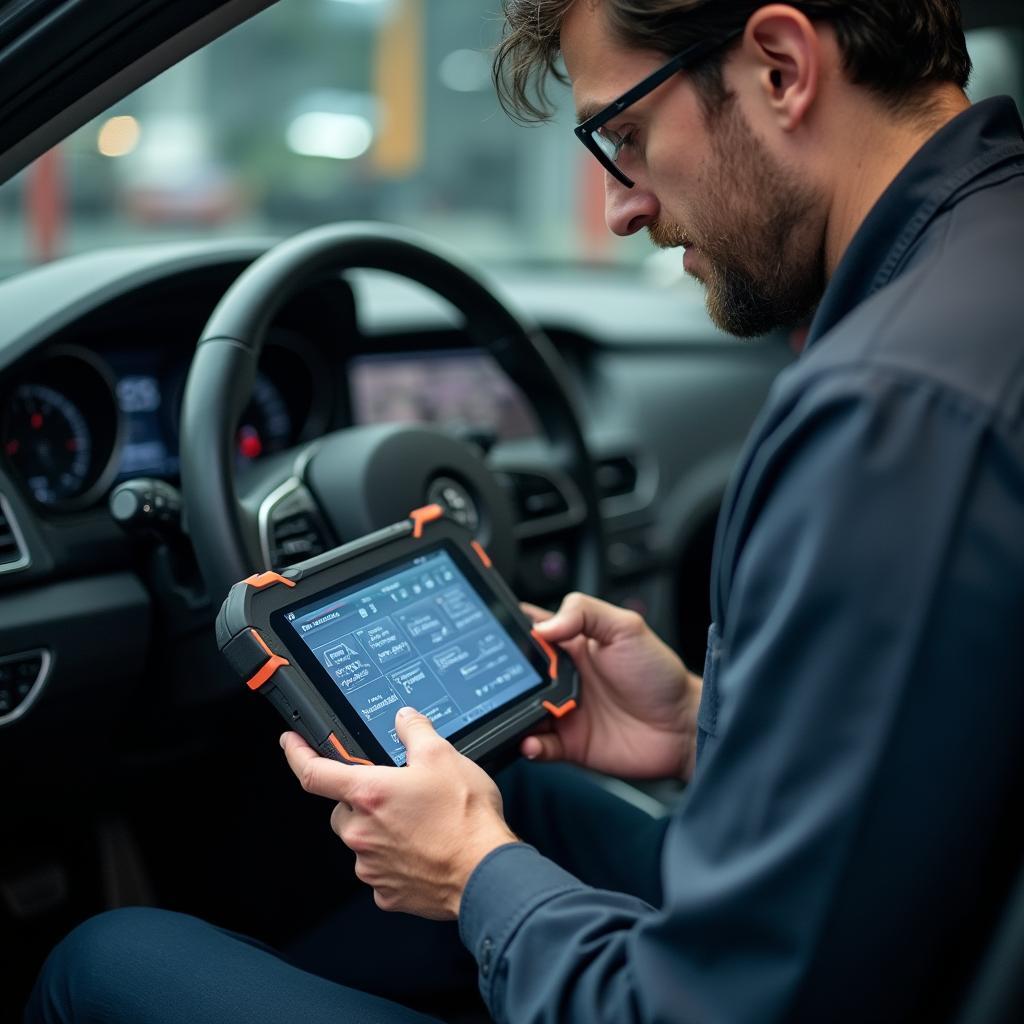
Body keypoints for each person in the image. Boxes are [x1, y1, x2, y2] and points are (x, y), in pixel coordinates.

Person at [27, 1, 1024, 1021]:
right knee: (529, 793)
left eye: (623, 136)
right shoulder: (982, 276)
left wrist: (474, 874)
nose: (622, 209)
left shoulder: (884, 416)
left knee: (104, 957)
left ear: (778, 66)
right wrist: (701, 723)